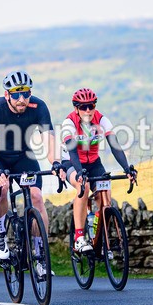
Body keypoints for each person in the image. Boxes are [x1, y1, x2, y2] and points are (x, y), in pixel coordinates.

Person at [0, 70, 63, 273]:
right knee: (2, 189)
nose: (21, 98)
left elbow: (49, 140)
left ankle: (40, 256)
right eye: (16, 94)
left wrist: (57, 163)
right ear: (7, 95)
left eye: (25, 93)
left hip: (23, 154)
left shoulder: (39, 106)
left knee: (36, 196)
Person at [60, 88, 137, 253]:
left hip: (94, 163)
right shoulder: (70, 123)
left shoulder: (101, 120)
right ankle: (79, 237)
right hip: (71, 162)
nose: (88, 110)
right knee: (84, 187)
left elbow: (114, 145)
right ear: (76, 108)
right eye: (83, 107)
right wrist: (80, 172)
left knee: (105, 196)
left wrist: (127, 168)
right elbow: (72, 151)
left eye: (91, 106)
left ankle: (99, 236)